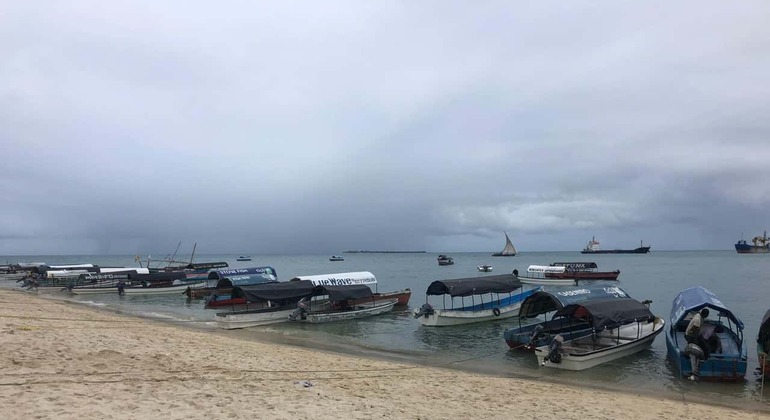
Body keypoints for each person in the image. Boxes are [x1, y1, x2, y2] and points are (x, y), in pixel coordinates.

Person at [685, 308, 710, 380]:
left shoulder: (699, 315)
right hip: (691, 335)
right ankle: (695, 369)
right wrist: (693, 339)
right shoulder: (697, 320)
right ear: (705, 315)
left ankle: (704, 357)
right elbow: (693, 330)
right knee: (695, 350)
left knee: (704, 344)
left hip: (695, 334)